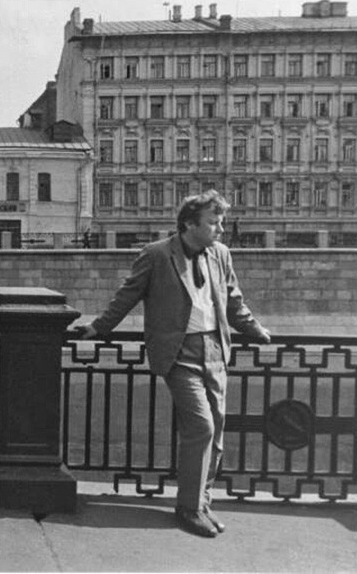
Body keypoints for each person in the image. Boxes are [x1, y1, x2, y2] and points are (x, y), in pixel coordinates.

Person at [73, 190, 270, 538]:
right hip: (179, 353)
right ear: (189, 223)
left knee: (217, 434)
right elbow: (127, 295)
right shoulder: (157, 255)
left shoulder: (221, 254)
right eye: (213, 222)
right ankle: (189, 509)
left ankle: (201, 503)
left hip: (215, 350)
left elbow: (233, 301)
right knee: (202, 427)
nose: (221, 229)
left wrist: (256, 330)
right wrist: (98, 327)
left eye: (220, 221)